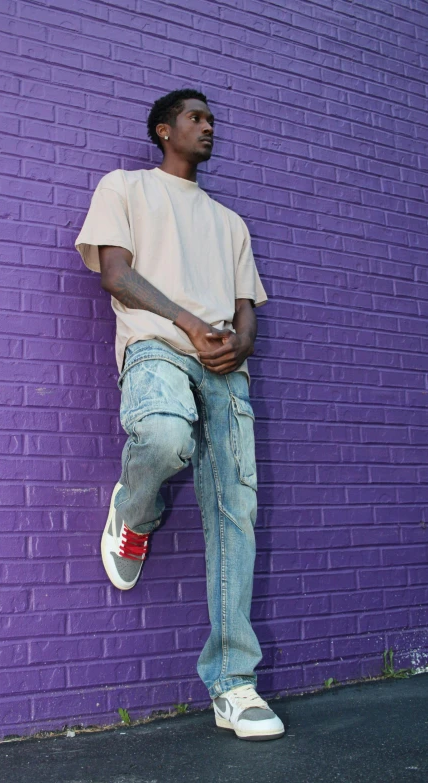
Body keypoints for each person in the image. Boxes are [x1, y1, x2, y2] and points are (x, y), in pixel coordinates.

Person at [74, 89, 285, 742]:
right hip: (158, 348)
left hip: (225, 369)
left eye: (212, 119)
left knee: (235, 514)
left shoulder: (230, 223)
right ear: (164, 130)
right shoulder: (126, 187)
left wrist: (239, 343)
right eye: (195, 118)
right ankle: (134, 513)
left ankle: (233, 684)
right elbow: (115, 273)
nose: (207, 126)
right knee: (165, 439)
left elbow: (248, 304)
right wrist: (192, 324)